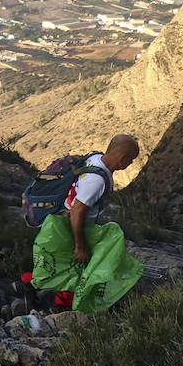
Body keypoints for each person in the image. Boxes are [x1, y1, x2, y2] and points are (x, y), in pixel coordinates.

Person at [31, 134, 144, 314]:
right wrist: (79, 245)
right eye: (130, 160)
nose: (130, 164)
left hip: (62, 220)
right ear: (122, 158)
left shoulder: (95, 158)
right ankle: (59, 305)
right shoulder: (97, 181)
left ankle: (32, 288)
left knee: (60, 263)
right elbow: (78, 211)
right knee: (75, 264)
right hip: (71, 224)